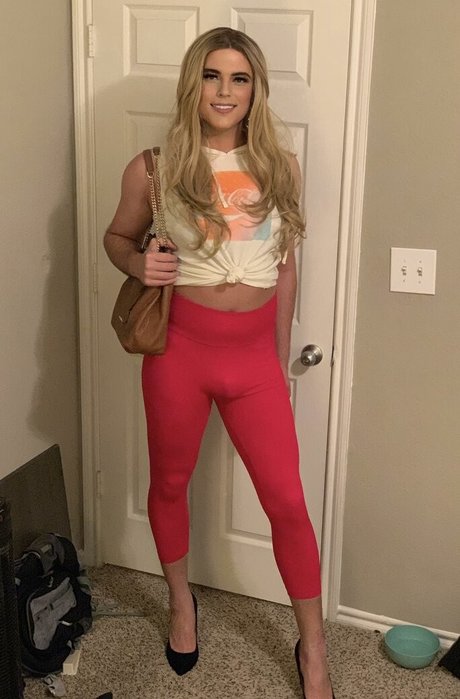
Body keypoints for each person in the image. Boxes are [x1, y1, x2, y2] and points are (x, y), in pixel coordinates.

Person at [104, 26, 334, 699]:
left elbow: (285, 268)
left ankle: (313, 648)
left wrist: (278, 360)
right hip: (179, 353)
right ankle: (182, 605)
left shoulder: (280, 167)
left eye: (239, 78)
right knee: (170, 483)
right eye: (211, 75)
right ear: (193, 85)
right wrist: (135, 261)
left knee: (288, 502)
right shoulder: (155, 167)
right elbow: (117, 237)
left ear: (255, 88)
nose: (224, 91)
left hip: (253, 360)